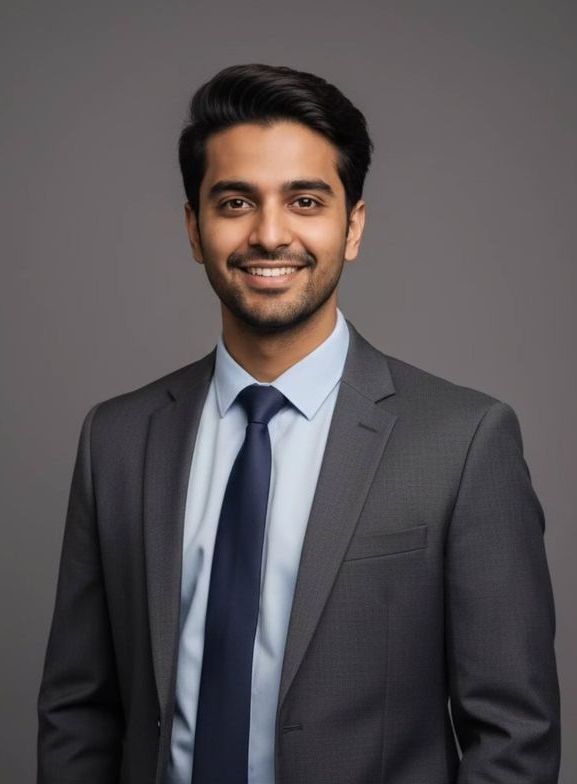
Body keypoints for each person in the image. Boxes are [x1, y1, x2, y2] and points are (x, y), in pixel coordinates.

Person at [37, 63, 560, 784]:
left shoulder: (463, 442)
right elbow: (79, 710)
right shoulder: (117, 440)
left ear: (352, 227)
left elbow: (513, 735)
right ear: (194, 228)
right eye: (234, 201)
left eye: (306, 200)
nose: (270, 233)